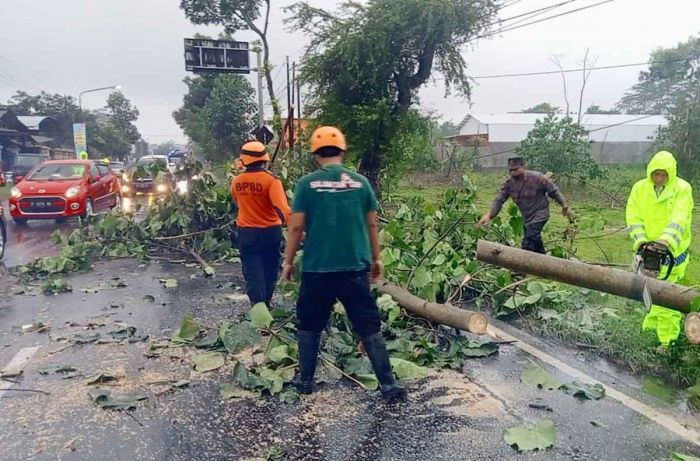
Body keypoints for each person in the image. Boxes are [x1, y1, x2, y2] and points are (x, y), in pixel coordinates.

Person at [282, 126, 406, 400]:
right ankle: (388, 385)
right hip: (354, 267)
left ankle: (305, 382)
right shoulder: (361, 183)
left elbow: (296, 227)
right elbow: (372, 223)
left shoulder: (306, 184)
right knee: (367, 323)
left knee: (310, 323)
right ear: (343, 151)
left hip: (318, 268)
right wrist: (376, 258)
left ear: (315, 154)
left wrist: (288, 261)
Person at [626, 150, 693, 346]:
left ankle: (667, 342)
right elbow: (633, 216)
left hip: (673, 254)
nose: (660, 179)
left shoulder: (682, 189)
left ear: (670, 174)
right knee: (649, 294)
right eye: (656, 174)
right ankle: (649, 336)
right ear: (650, 172)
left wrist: (665, 241)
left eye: (664, 175)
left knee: (668, 300)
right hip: (647, 253)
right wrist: (641, 242)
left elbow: (679, 218)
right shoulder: (640, 188)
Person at [231, 141, 291, 307]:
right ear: (265, 159)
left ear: (244, 160)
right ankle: (266, 303)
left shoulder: (237, 181)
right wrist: (296, 228)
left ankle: (257, 307)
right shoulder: (272, 181)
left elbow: (237, 202)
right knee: (270, 270)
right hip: (270, 233)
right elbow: (282, 210)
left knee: (252, 270)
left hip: (246, 233)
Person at [478, 157, 572, 254]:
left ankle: (522, 266)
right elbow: (499, 200)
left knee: (528, 240)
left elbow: (554, 191)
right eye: (511, 170)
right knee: (535, 241)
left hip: (540, 214)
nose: (513, 172)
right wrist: (489, 215)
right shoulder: (509, 184)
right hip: (527, 218)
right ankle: (544, 262)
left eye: (516, 169)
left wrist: (564, 206)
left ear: (523, 167)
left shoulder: (537, 178)